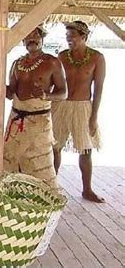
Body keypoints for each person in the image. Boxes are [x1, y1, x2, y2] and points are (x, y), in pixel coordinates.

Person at [4, 26, 67, 188]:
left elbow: (63, 93)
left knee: (40, 164)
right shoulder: (17, 64)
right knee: (10, 161)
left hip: (40, 121)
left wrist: (47, 96)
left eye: (36, 35)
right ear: (23, 40)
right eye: (28, 35)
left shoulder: (52, 62)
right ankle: (12, 199)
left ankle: (42, 202)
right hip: (16, 121)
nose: (32, 39)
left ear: (42, 38)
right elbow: (10, 93)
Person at [52, 21, 106, 203]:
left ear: (84, 37)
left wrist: (94, 117)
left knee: (85, 149)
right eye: (67, 37)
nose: (69, 40)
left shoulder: (97, 58)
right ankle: (51, 186)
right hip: (61, 105)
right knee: (55, 147)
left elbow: (98, 90)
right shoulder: (62, 56)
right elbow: (54, 83)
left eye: (73, 36)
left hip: (83, 106)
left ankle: (87, 189)